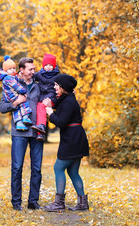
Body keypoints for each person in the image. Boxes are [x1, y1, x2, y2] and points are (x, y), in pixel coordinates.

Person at [0, 57, 43, 211]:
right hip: (19, 133)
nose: (33, 71)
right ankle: (16, 202)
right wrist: (16, 102)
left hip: (37, 132)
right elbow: (2, 107)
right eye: (30, 69)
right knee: (17, 168)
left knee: (36, 169)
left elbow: (51, 99)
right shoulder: (11, 84)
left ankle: (33, 202)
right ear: (21, 70)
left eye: (34, 69)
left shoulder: (38, 87)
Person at [43, 74, 90, 212]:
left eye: (57, 85)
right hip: (76, 138)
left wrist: (50, 113)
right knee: (73, 171)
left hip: (72, 139)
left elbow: (62, 122)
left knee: (58, 168)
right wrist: (50, 104)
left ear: (63, 87)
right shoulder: (68, 99)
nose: (54, 87)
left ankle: (59, 203)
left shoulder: (69, 102)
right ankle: (82, 203)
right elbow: (59, 103)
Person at [0, 56, 33, 131]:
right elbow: (17, 86)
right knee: (23, 102)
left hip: (10, 96)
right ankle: (25, 116)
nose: (13, 70)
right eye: (10, 69)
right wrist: (23, 92)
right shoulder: (9, 78)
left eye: (14, 68)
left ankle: (19, 123)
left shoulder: (9, 78)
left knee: (16, 109)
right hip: (12, 96)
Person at [31, 53, 60, 141]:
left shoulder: (57, 76)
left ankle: (41, 127)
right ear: (43, 65)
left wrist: (71, 89)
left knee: (43, 104)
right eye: (46, 65)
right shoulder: (39, 74)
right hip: (42, 97)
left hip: (51, 97)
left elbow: (65, 82)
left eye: (50, 65)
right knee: (40, 106)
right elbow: (30, 76)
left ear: (54, 66)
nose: (48, 67)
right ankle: (40, 133)